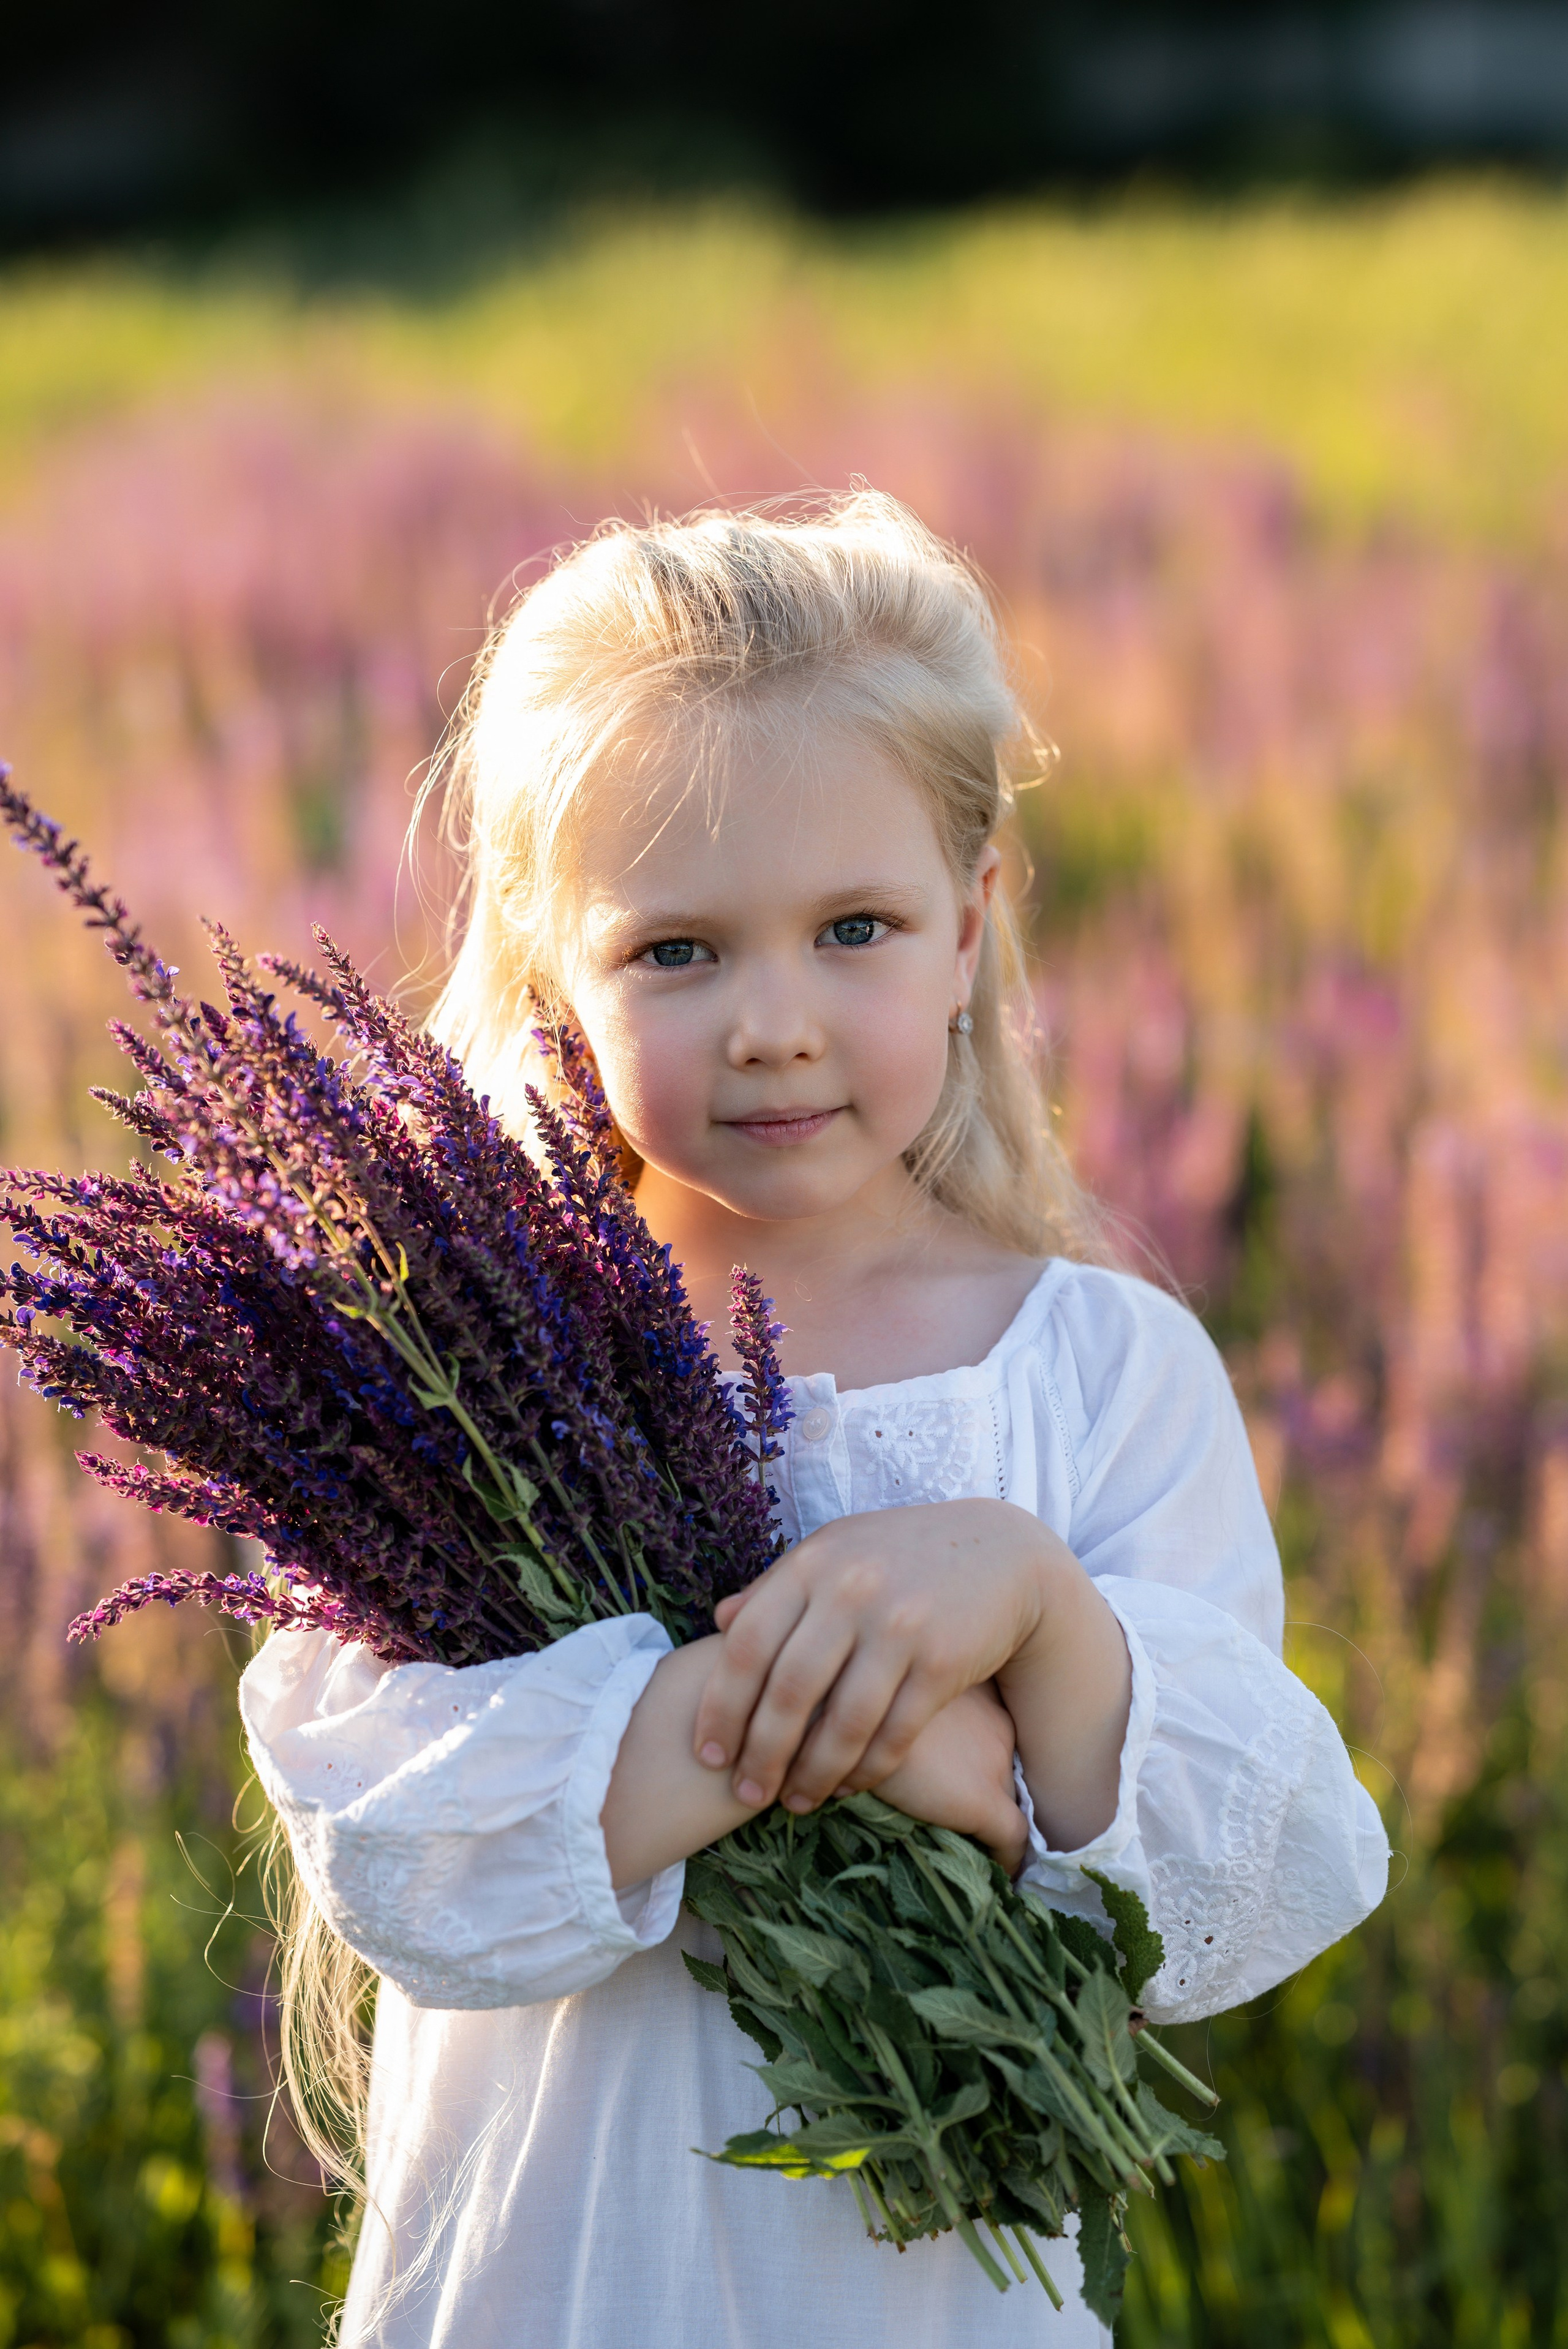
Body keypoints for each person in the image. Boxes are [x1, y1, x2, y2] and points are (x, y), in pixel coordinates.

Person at [241, 492, 1390, 2348]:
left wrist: (1027, 1598)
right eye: (677, 951)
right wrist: (923, 1752)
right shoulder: (434, 1377)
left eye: (853, 926)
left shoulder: (1092, 1367)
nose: (773, 1021)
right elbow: (406, 1851)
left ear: (971, 925)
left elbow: (1239, 1879)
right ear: (552, 969)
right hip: (561, 2278)